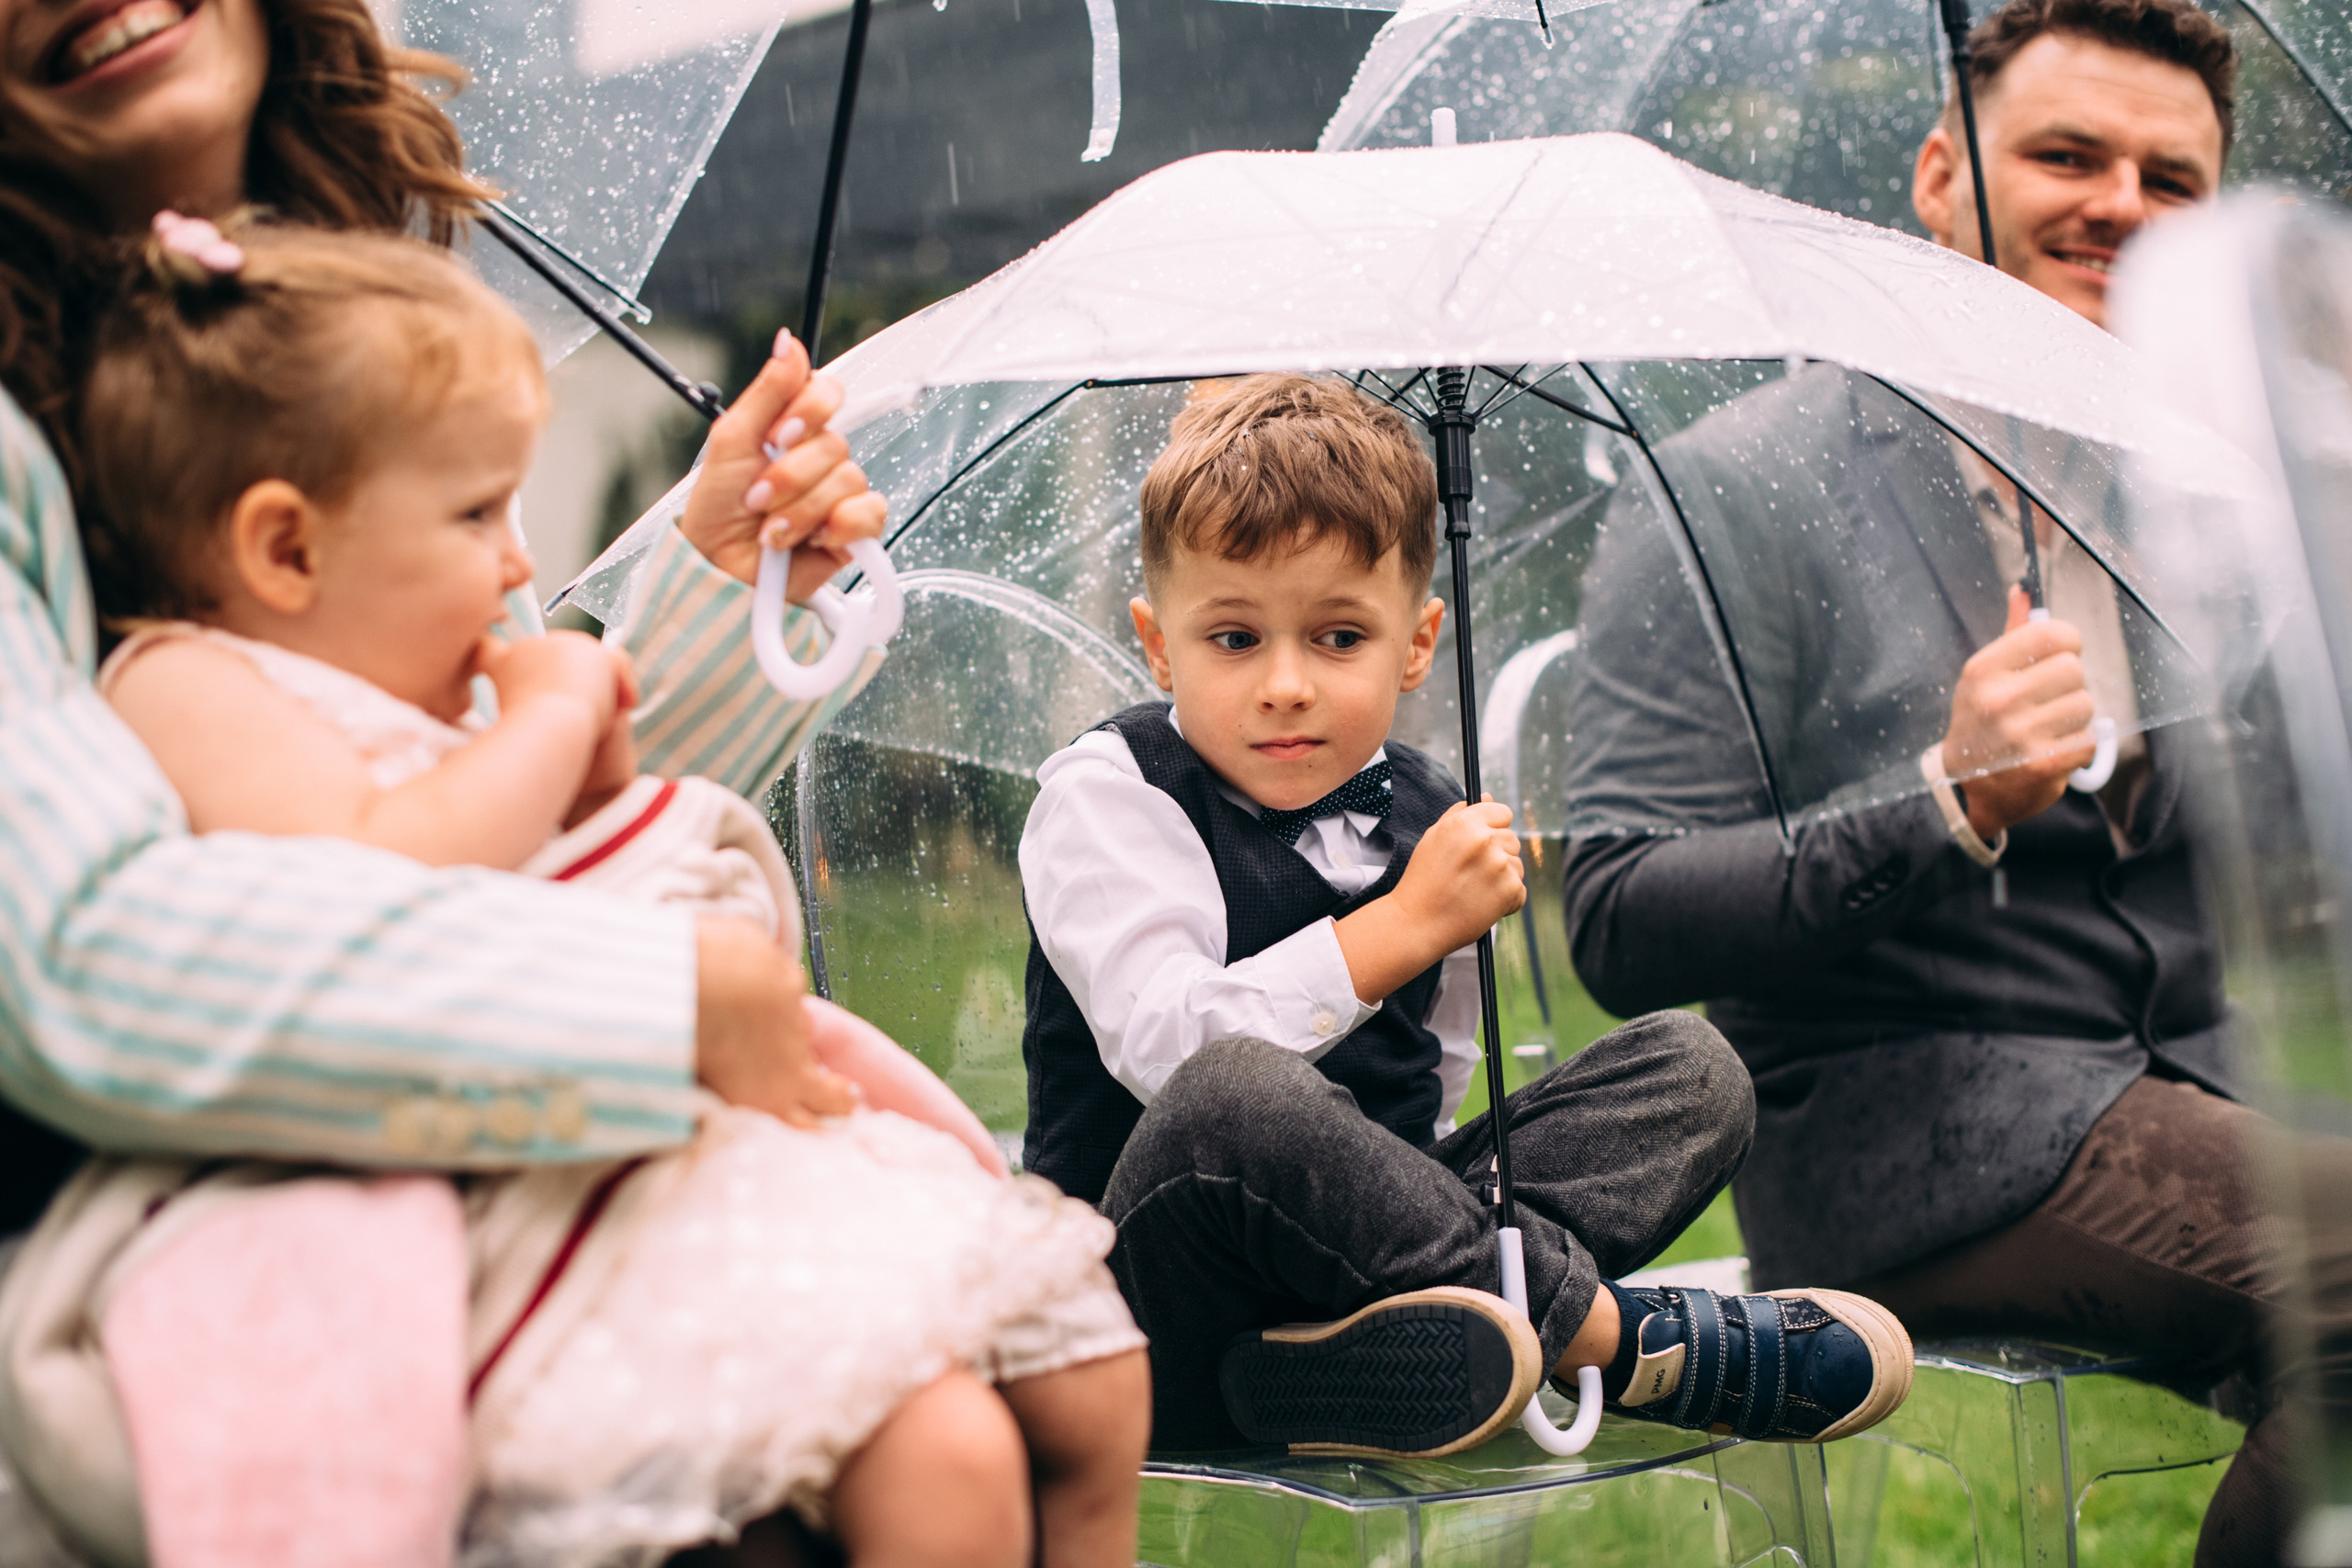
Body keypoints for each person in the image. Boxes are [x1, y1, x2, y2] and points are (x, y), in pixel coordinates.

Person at [0, 216, 1150, 1568]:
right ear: (286, 550)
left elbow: (578, 839)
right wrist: (545, 729)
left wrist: (613, 729)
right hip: (512, 1188)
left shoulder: (418, 663)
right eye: (480, 512)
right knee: (940, 1458)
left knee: (1098, 1383)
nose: (513, 561)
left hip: (657, 1135)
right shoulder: (186, 685)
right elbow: (397, 869)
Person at [1558, 1, 2339, 1561]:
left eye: (2169, 179)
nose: (2119, 201)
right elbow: (1619, 910)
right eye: (2065, 154)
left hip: (2207, 1083)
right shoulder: (1736, 488)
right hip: (1909, 1139)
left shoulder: (2217, 505)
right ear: (1936, 177)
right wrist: (1947, 797)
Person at [1019, 372, 1916, 1458]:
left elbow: (1432, 1079)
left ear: (1417, 640)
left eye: (1339, 638)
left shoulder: (1437, 814)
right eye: (1234, 640)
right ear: (1159, 645)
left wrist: (1398, 1207)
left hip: (1360, 1280)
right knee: (1236, 1095)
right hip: (1147, 1310)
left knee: (1693, 1070)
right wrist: (1396, 928)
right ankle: (1611, 1341)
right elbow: (1165, 1048)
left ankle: (1361, 1357)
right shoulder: (1111, 792)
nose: (1287, 684)